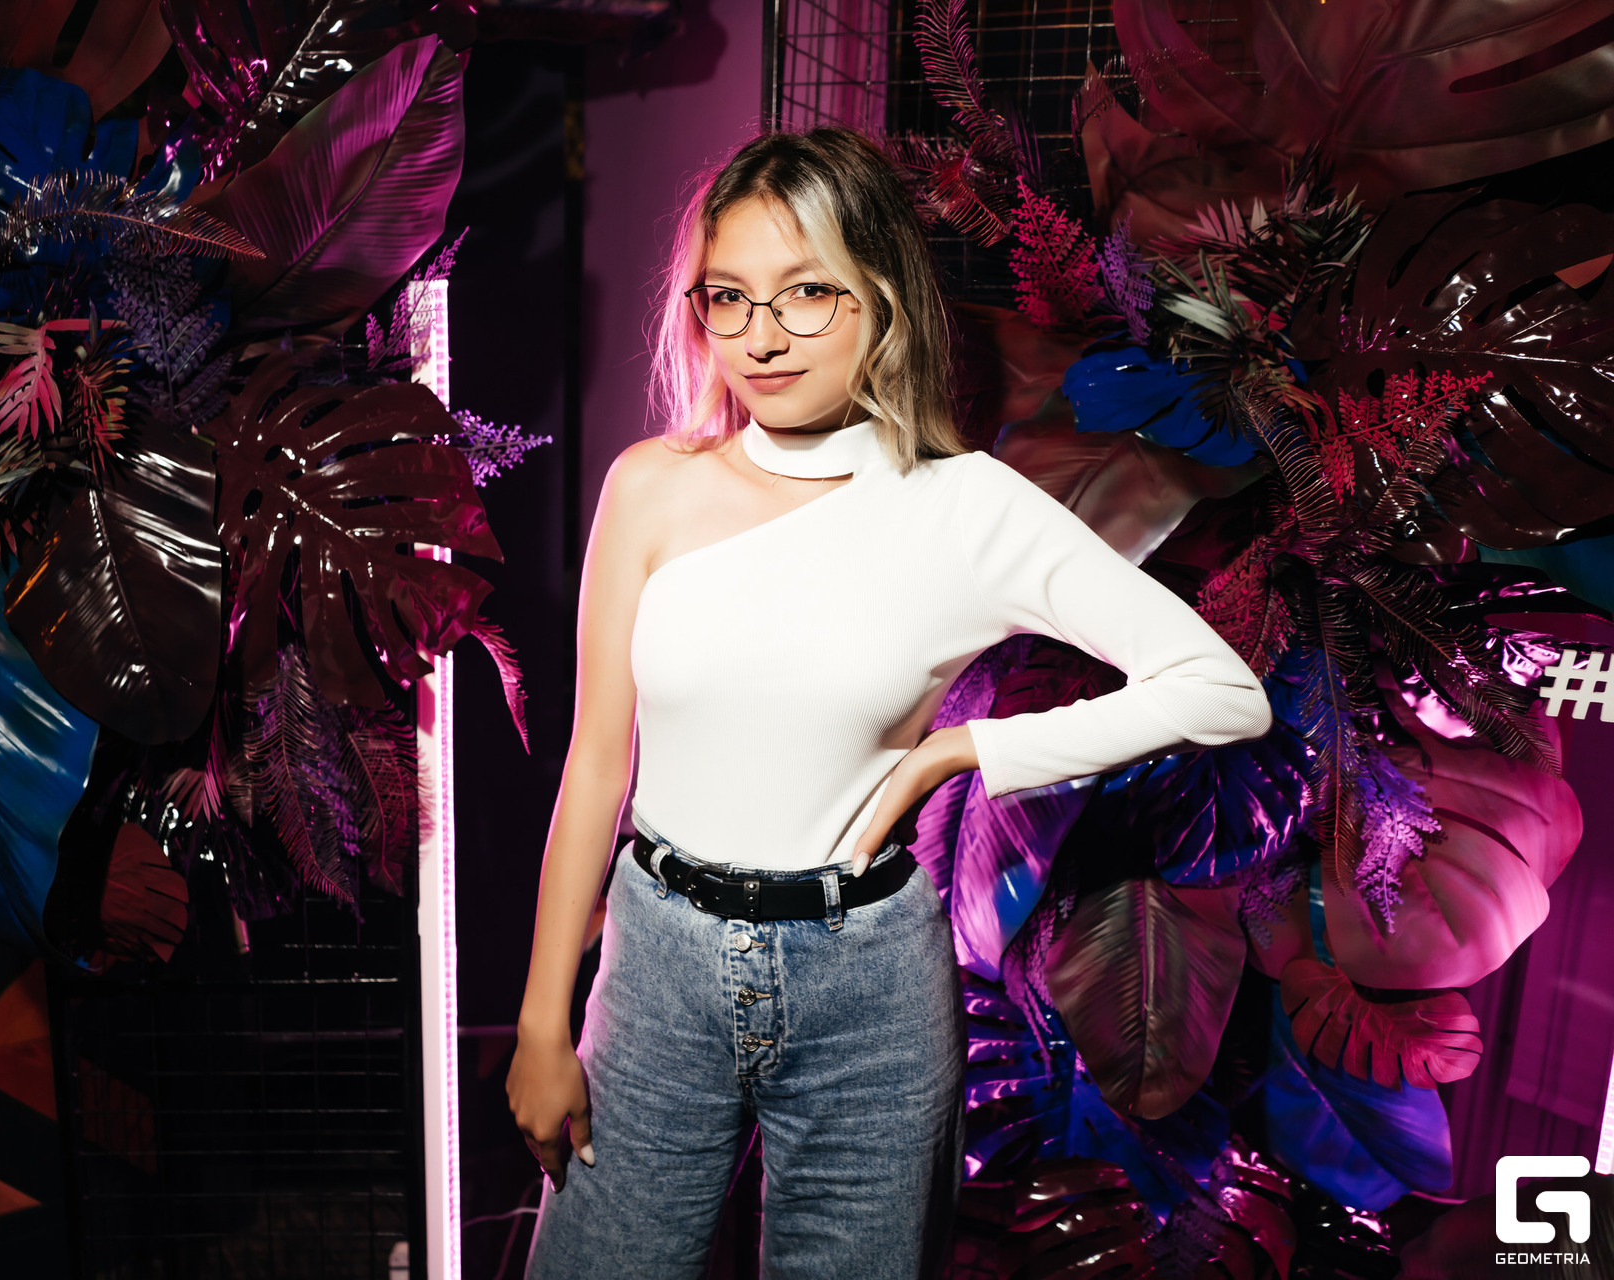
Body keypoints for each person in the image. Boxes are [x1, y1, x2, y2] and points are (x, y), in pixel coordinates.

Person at [506, 126, 1273, 1279]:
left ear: (881, 300)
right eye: (729, 296)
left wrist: (961, 751)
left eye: (807, 292)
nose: (762, 336)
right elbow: (595, 764)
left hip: (865, 986)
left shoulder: (964, 509)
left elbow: (1221, 689)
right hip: (657, 962)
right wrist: (538, 1022)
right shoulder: (652, 486)